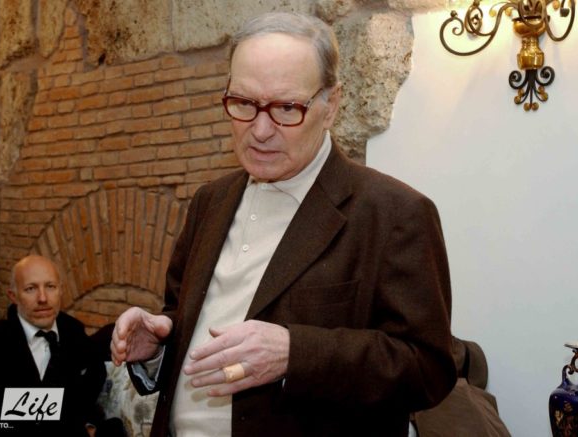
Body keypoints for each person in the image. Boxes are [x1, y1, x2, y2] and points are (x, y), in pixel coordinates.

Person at [111, 11, 456, 437]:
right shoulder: (209, 202)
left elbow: (427, 368)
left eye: (287, 108)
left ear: (331, 105)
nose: (260, 130)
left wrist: (295, 353)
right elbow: (186, 327)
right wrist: (158, 347)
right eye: (243, 103)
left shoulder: (393, 213)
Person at [0, 255, 106, 436]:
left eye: (50, 286)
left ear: (61, 290)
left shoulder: (75, 335)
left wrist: (87, 422)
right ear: (13, 296)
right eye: (31, 289)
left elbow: (93, 378)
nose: (43, 298)